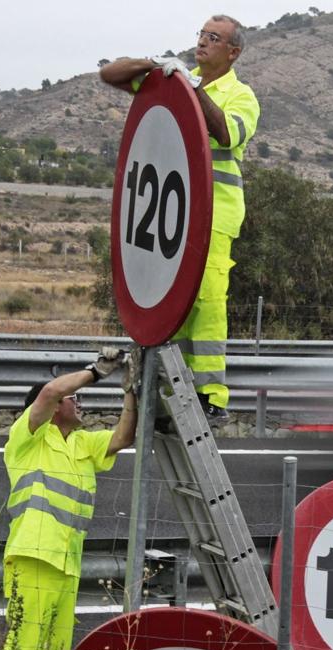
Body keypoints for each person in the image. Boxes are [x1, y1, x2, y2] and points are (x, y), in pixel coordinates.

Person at [100, 15, 260, 425]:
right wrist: (151, 64)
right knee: (170, 302)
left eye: (214, 38)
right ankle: (174, 390)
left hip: (216, 213)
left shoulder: (241, 95)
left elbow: (226, 133)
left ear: (233, 52)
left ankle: (210, 396)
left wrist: (192, 92)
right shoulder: (177, 80)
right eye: (201, 34)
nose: (203, 42)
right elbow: (110, 75)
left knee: (206, 300)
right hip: (173, 215)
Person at [0, 347, 135, 650]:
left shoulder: (82, 444)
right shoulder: (27, 439)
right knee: (25, 645)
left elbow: (124, 435)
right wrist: (96, 370)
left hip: (66, 564)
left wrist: (131, 388)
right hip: (32, 557)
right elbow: (47, 393)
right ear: (57, 406)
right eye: (74, 398)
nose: (80, 403)